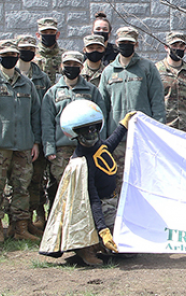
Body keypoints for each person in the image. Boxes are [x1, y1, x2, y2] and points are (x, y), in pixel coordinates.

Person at [40, 100, 128, 266]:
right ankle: (88, 247)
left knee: (133, 241)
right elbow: (93, 200)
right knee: (124, 245)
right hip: (96, 208)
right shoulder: (82, 163)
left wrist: (124, 124)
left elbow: (110, 143)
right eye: (85, 132)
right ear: (76, 135)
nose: (91, 135)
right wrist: (103, 231)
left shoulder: (99, 147)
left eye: (93, 130)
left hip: (113, 202)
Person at [0, 39, 42, 243]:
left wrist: (35, 142)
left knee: (22, 189)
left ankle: (19, 227)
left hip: (23, 146)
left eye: (14, 55)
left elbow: (35, 115)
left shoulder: (27, 84)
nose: (10, 58)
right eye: (6, 55)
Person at [99, 27, 165, 194]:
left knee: (144, 179)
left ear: (136, 45)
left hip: (142, 137)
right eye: (122, 43)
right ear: (117, 44)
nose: (125, 46)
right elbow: (103, 107)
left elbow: (157, 102)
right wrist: (103, 139)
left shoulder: (147, 68)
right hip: (117, 139)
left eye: (129, 43)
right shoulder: (108, 72)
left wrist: (158, 132)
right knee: (118, 182)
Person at [42, 51, 107, 193]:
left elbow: (101, 119)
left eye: (75, 65)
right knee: (64, 190)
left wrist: (100, 145)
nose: (71, 67)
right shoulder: (52, 93)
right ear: (61, 66)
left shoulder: (91, 91)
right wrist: (49, 149)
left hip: (87, 147)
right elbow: (47, 123)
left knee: (85, 188)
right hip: (61, 150)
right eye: (68, 64)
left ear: (81, 67)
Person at [16, 34, 53, 232]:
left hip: (36, 136)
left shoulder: (41, 77)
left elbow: (45, 110)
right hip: (16, 137)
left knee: (37, 180)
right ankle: (19, 222)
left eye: (31, 48)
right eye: (23, 48)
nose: (27, 52)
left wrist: (40, 140)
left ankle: (38, 215)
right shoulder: (9, 75)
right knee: (17, 183)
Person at [156, 32, 186, 134]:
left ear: (185, 49)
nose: (177, 49)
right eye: (174, 46)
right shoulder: (156, 70)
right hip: (164, 128)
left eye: (181, 46)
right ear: (166, 47)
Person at [35, 17, 67, 84]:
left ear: (57, 35)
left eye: (52, 32)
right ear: (38, 35)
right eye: (45, 32)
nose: (48, 35)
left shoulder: (65, 56)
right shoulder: (31, 55)